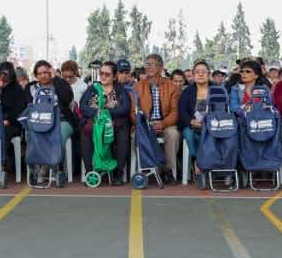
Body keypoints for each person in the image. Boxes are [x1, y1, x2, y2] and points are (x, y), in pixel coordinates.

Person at [79, 62, 131, 183]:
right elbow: (83, 106)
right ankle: (90, 171)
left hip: (115, 122)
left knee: (122, 134)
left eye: (107, 74)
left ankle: (118, 173)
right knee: (86, 132)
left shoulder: (120, 90)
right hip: (95, 121)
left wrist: (107, 115)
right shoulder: (92, 88)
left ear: (114, 76)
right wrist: (100, 114)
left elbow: (124, 108)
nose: (103, 76)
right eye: (101, 73)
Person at [135, 53, 181, 182]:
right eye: (147, 64)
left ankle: (168, 170)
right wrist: (146, 125)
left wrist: (163, 124)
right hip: (144, 124)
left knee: (173, 134)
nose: (149, 67)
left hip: (165, 123)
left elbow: (175, 112)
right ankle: (146, 169)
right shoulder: (137, 87)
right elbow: (134, 112)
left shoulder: (172, 86)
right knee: (135, 135)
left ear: (161, 68)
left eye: (153, 64)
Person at [177, 60, 214, 180]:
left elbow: (222, 110)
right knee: (189, 133)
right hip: (192, 125)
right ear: (193, 75)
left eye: (204, 72)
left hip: (211, 126)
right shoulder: (187, 92)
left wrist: (207, 123)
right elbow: (182, 112)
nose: (201, 74)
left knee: (208, 136)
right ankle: (198, 160)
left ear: (209, 74)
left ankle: (202, 163)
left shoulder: (217, 90)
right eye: (197, 72)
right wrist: (192, 121)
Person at [30, 60, 76, 149]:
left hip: (61, 120)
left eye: (45, 72)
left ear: (50, 72)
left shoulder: (60, 83)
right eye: (39, 74)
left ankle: (54, 161)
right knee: (32, 134)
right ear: (36, 76)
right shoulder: (31, 88)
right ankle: (39, 161)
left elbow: (67, 98)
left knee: (58, 136)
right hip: (39, 121)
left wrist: (55, 78)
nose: (43, 75)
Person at [0, 62, 29, 173]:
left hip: (11, 124)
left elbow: (20, 112)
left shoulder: (17, 90)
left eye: (5, 82)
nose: (1, 83)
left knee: (2, 132)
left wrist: (7, 120)